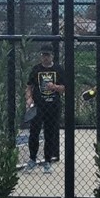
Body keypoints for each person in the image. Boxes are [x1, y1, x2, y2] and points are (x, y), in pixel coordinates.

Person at [24, 43, 66, 173]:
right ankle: (32, 159)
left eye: (47, 55)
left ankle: (47, 161)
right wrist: (29, 98)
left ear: (52, 56)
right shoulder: (36, 69)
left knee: (50, 133)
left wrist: (54, 87)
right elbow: (29, 87)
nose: (45, 57)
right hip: (38, 106)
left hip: (53, 106)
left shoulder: (58, 69)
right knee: (34, 132)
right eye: (43, 55)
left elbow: (64, 88)